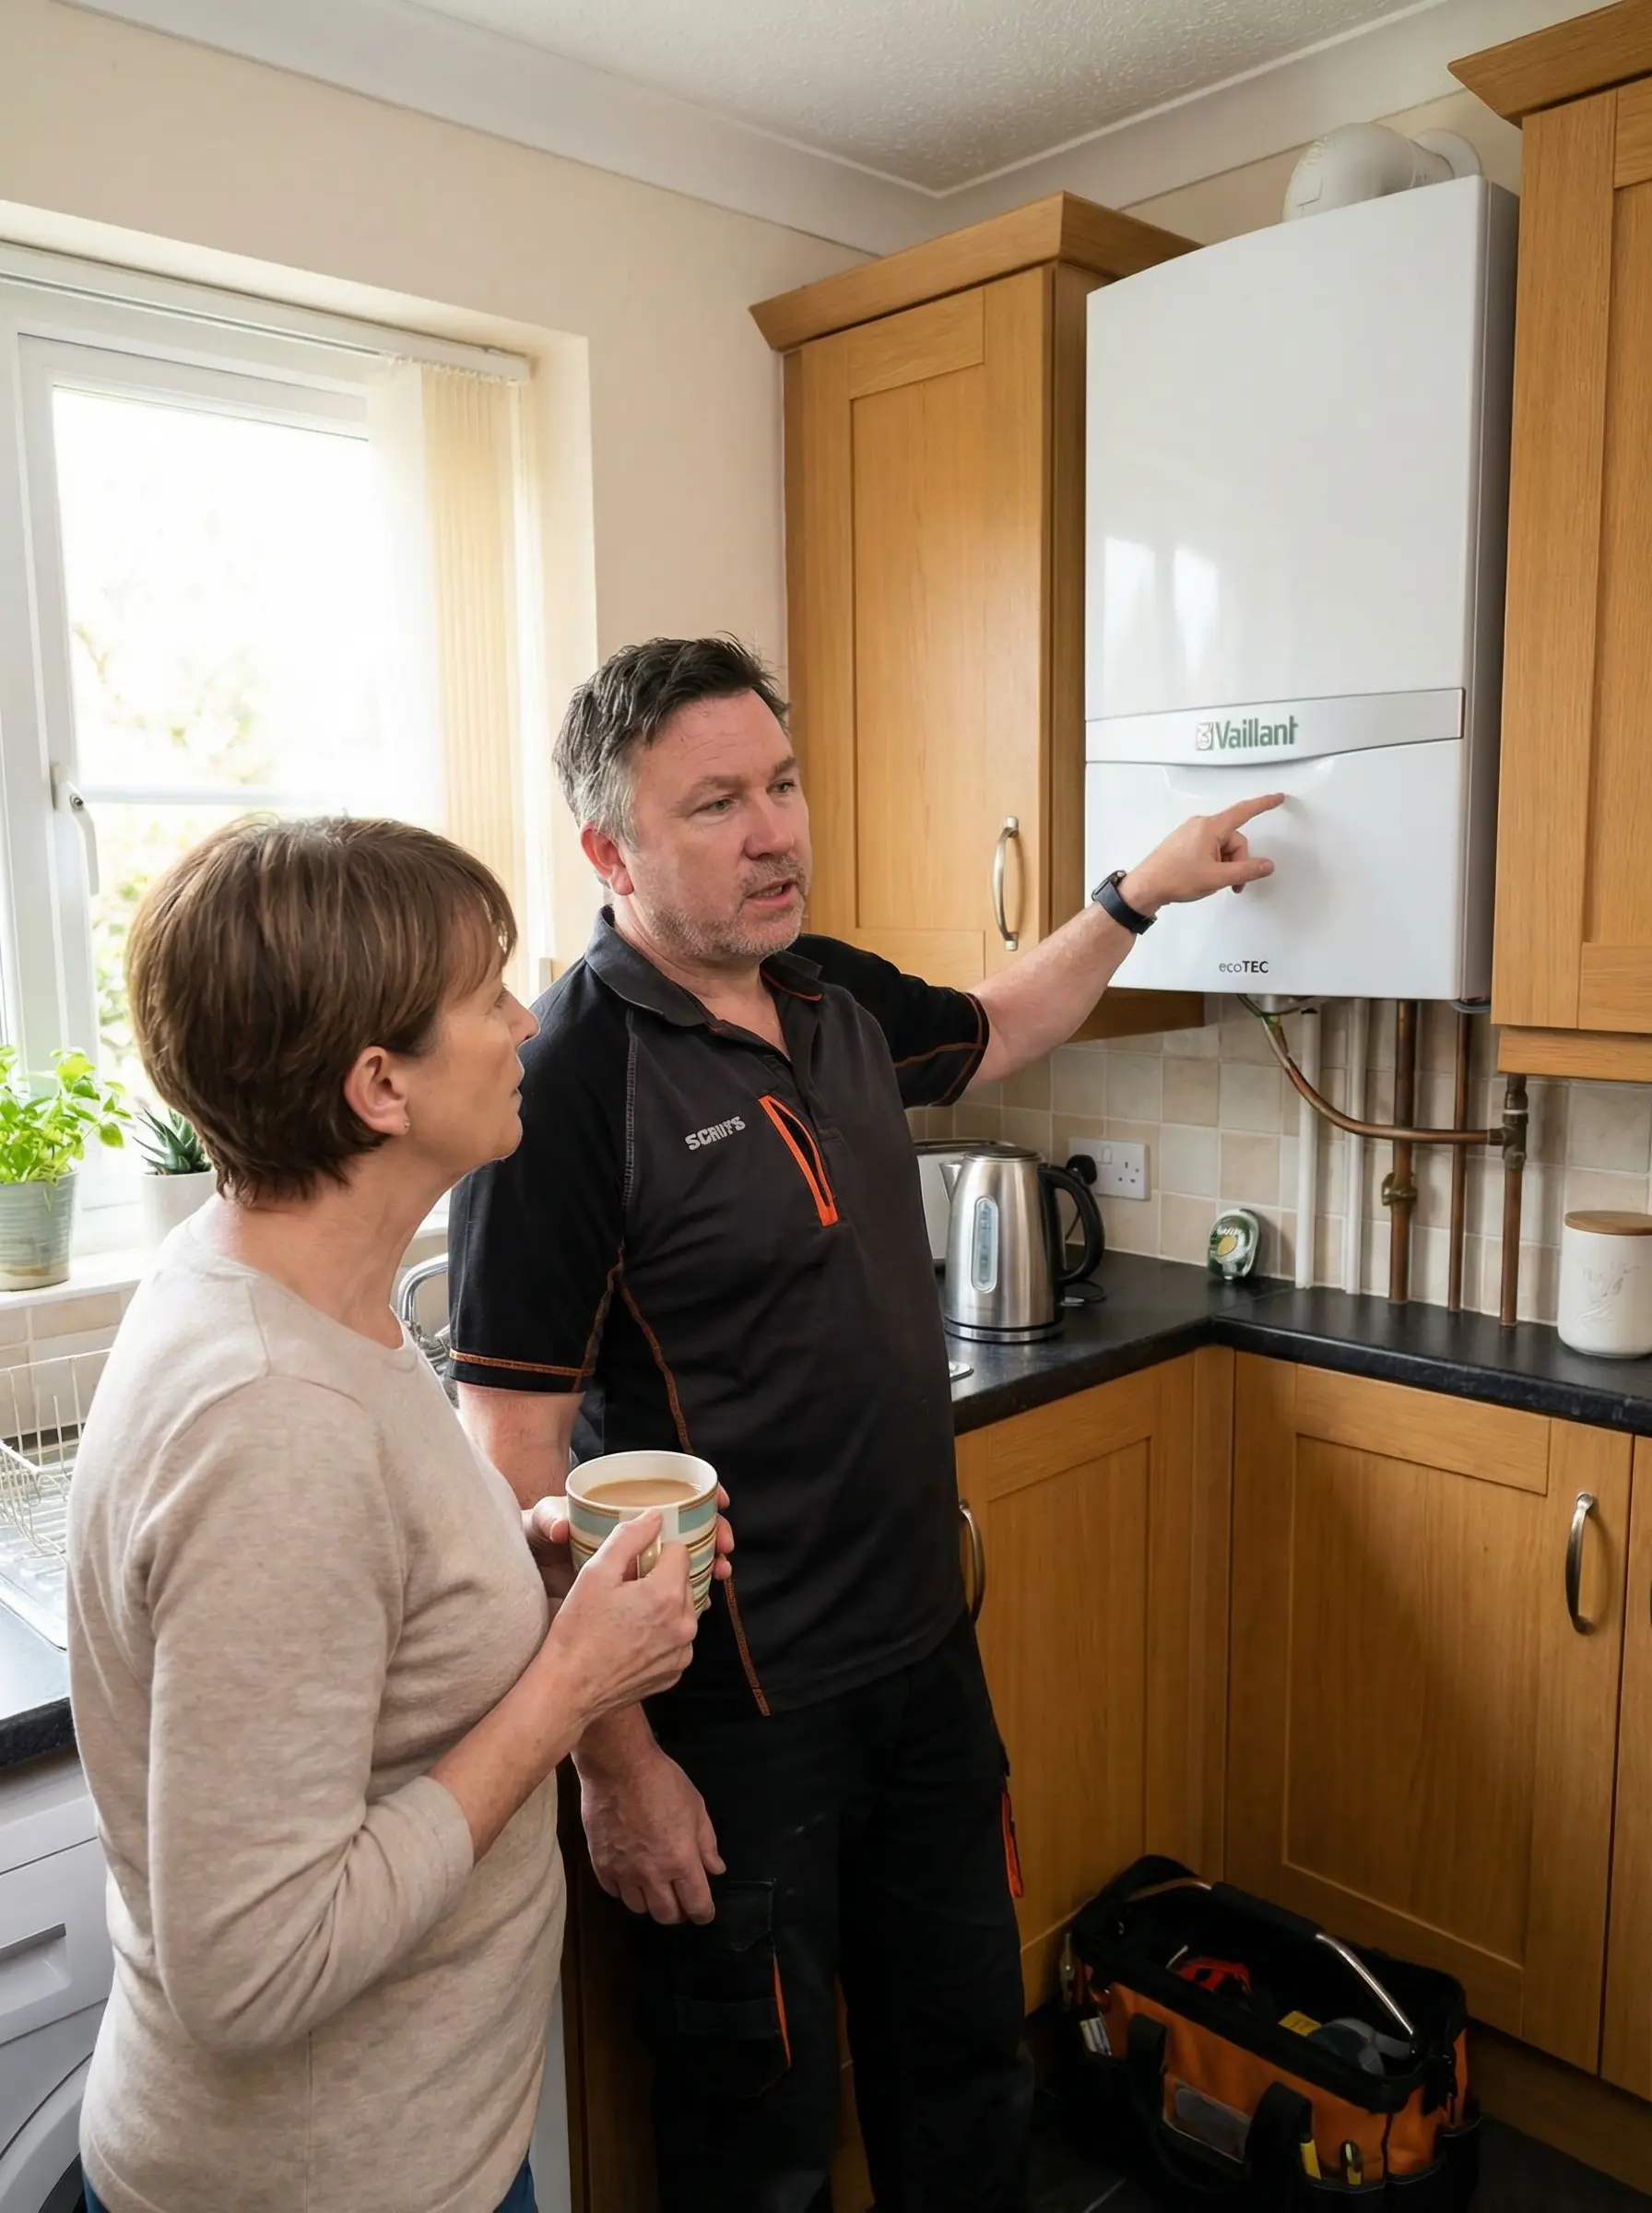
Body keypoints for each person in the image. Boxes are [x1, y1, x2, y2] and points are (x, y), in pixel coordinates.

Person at [447, 637, 1280, 2213]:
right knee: (755, 2151)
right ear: (609, 851)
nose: (776, 832)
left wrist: (1135, 894)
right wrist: (615, 1769)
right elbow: (515, 1473)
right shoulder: (562, 1086)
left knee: (969, 2081)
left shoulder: (825, 992)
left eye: (782, 784)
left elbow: (999, 1022)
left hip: (922, 1664)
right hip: (733, 1722)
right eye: (716, 804)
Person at [66, 816, 716, 2213]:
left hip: (412, 2150)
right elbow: (255, 1970)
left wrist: (518, 1571)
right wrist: (569, 1691)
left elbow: (362, 1613)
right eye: (487, 993)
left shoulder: (285, 1286)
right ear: (379, 1086)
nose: (526, 1018)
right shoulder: (267, 1419)